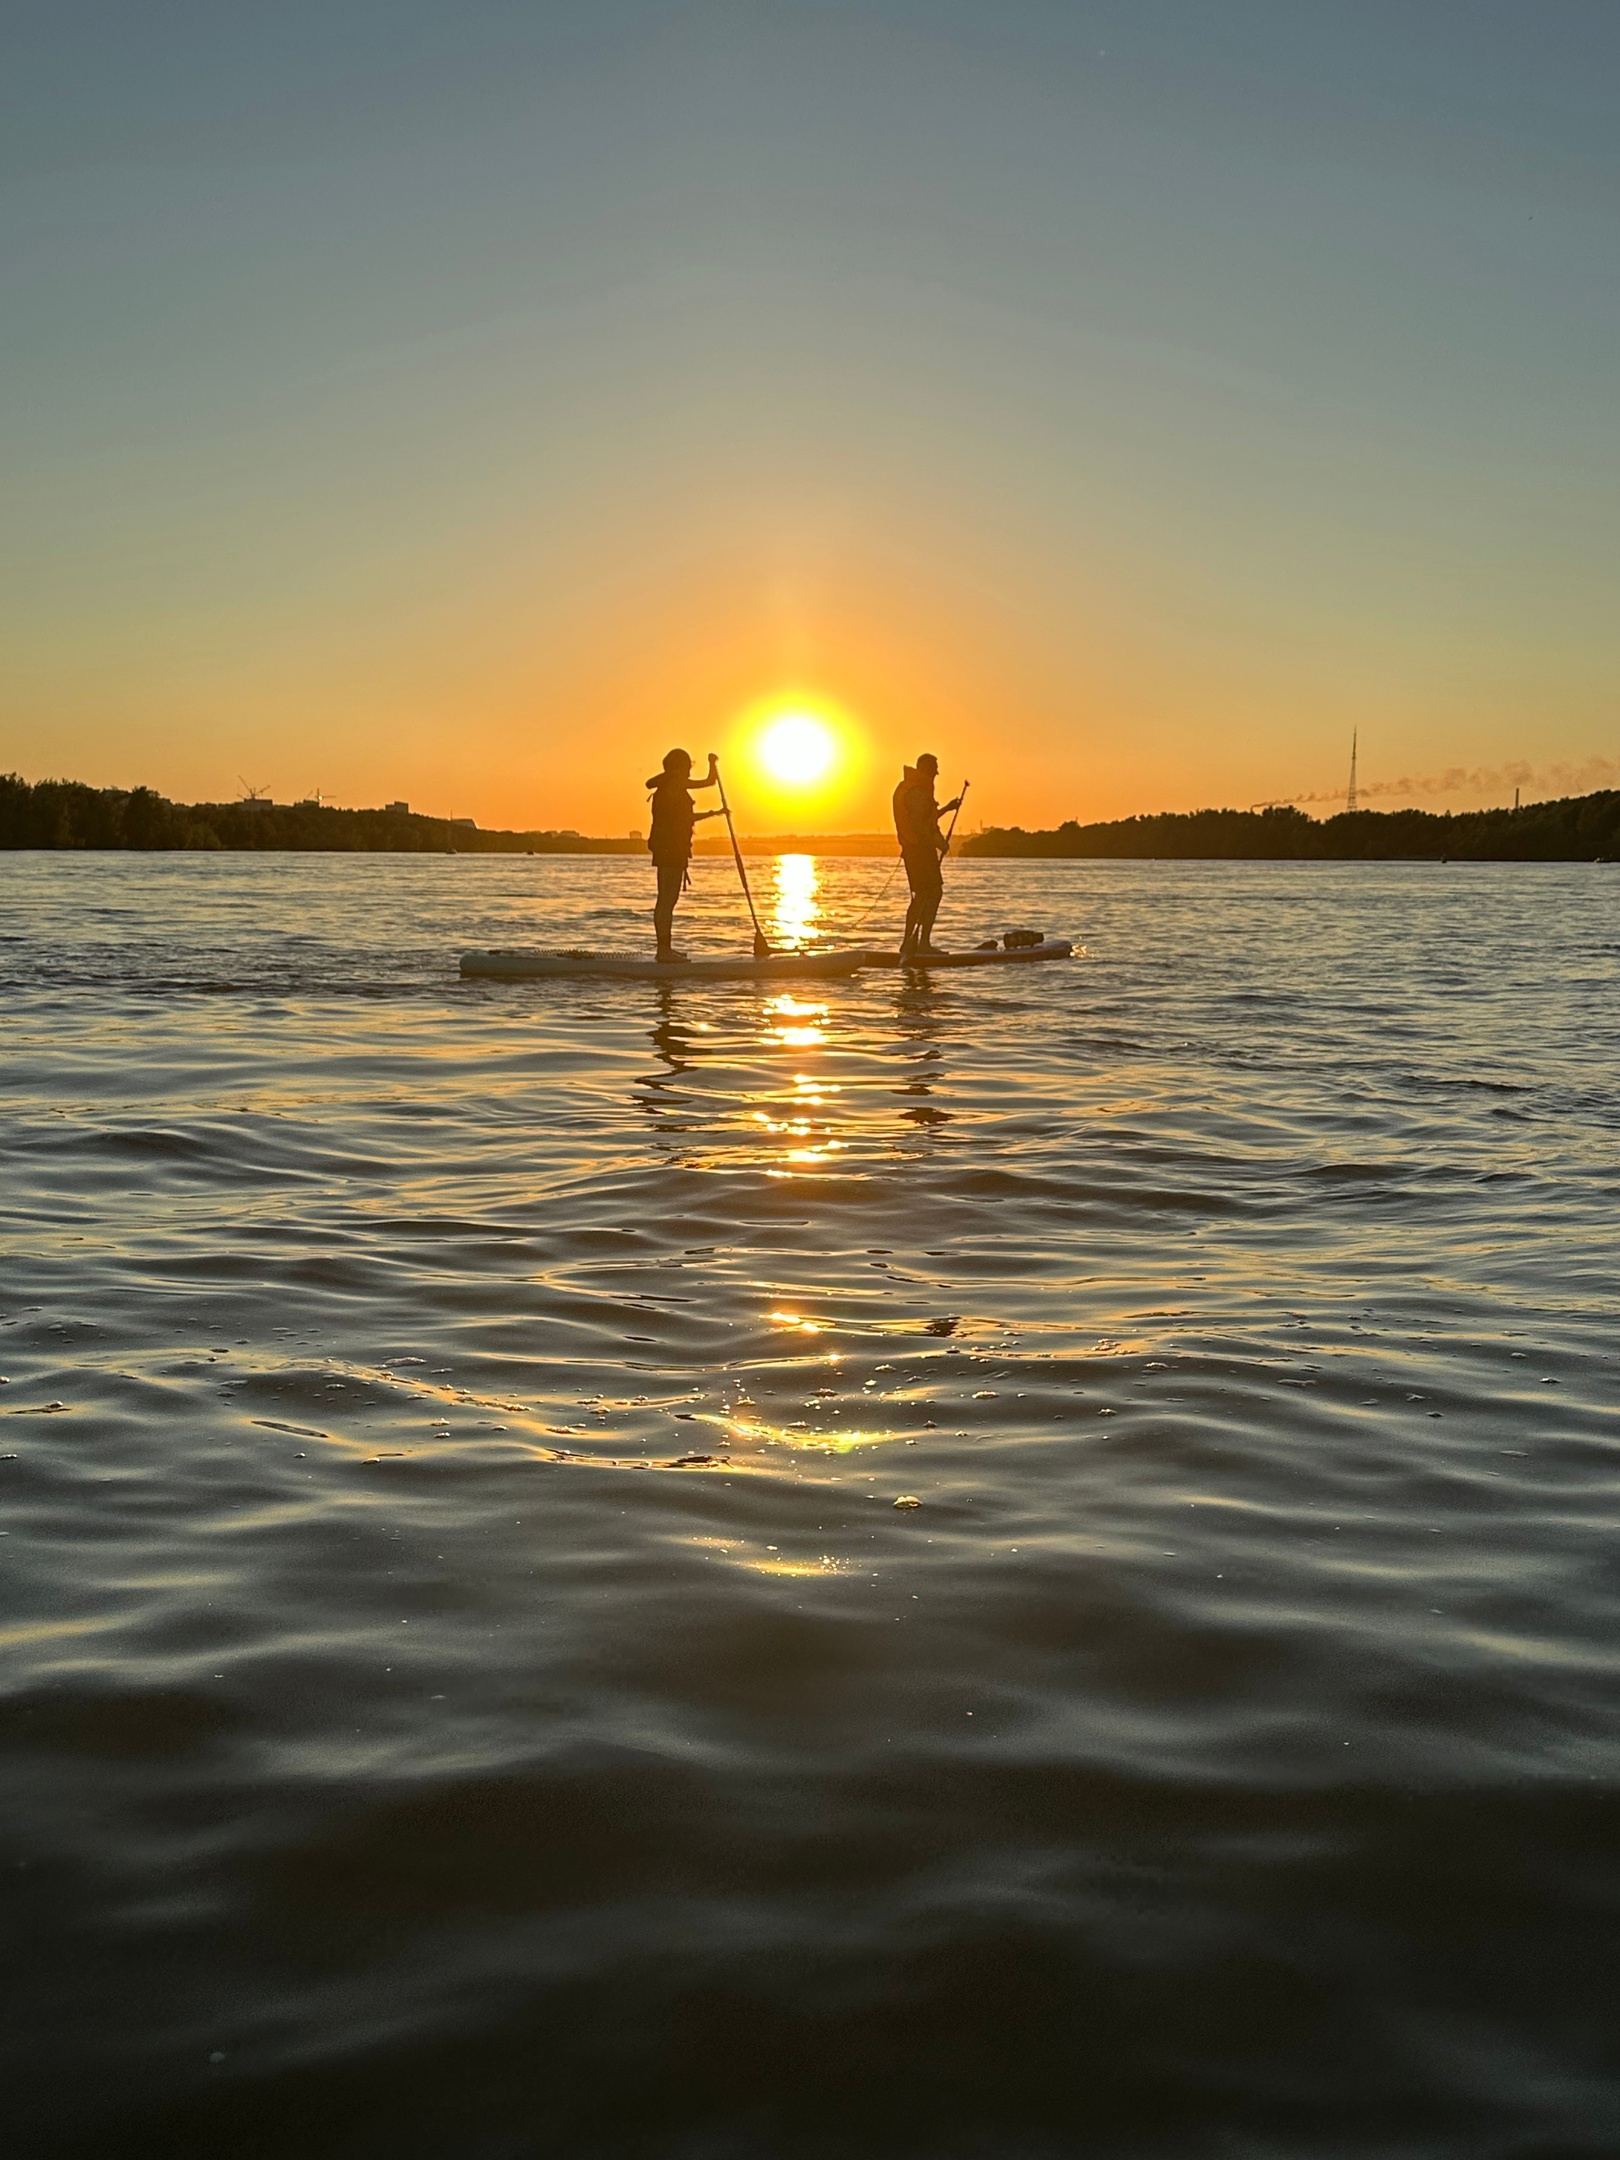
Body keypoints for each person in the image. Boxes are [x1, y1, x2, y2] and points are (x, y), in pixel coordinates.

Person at [646, 748, 723, 960]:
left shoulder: (669, 784)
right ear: (678, 767)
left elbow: (685, 818)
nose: (689, 771)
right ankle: (663, 950)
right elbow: (708, 782)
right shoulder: (675, 782)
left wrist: (713, 813)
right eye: (687, 766)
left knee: (666, 900)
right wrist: (712, 763)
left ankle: (664, 948)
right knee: (667, 900)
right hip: (670, 849)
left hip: (669, 849)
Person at [892, 752, 962, 955]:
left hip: (916, 850)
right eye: (934, 768)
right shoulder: (918, 791)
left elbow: (924, 819)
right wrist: (938, 843)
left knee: (924, 895)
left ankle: (912, 944)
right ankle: (920, 945)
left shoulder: (912, 789)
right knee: (930, 894)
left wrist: (947, 809)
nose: (937, 773)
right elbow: (919, 826)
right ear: (925, 768)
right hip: (920, 851)